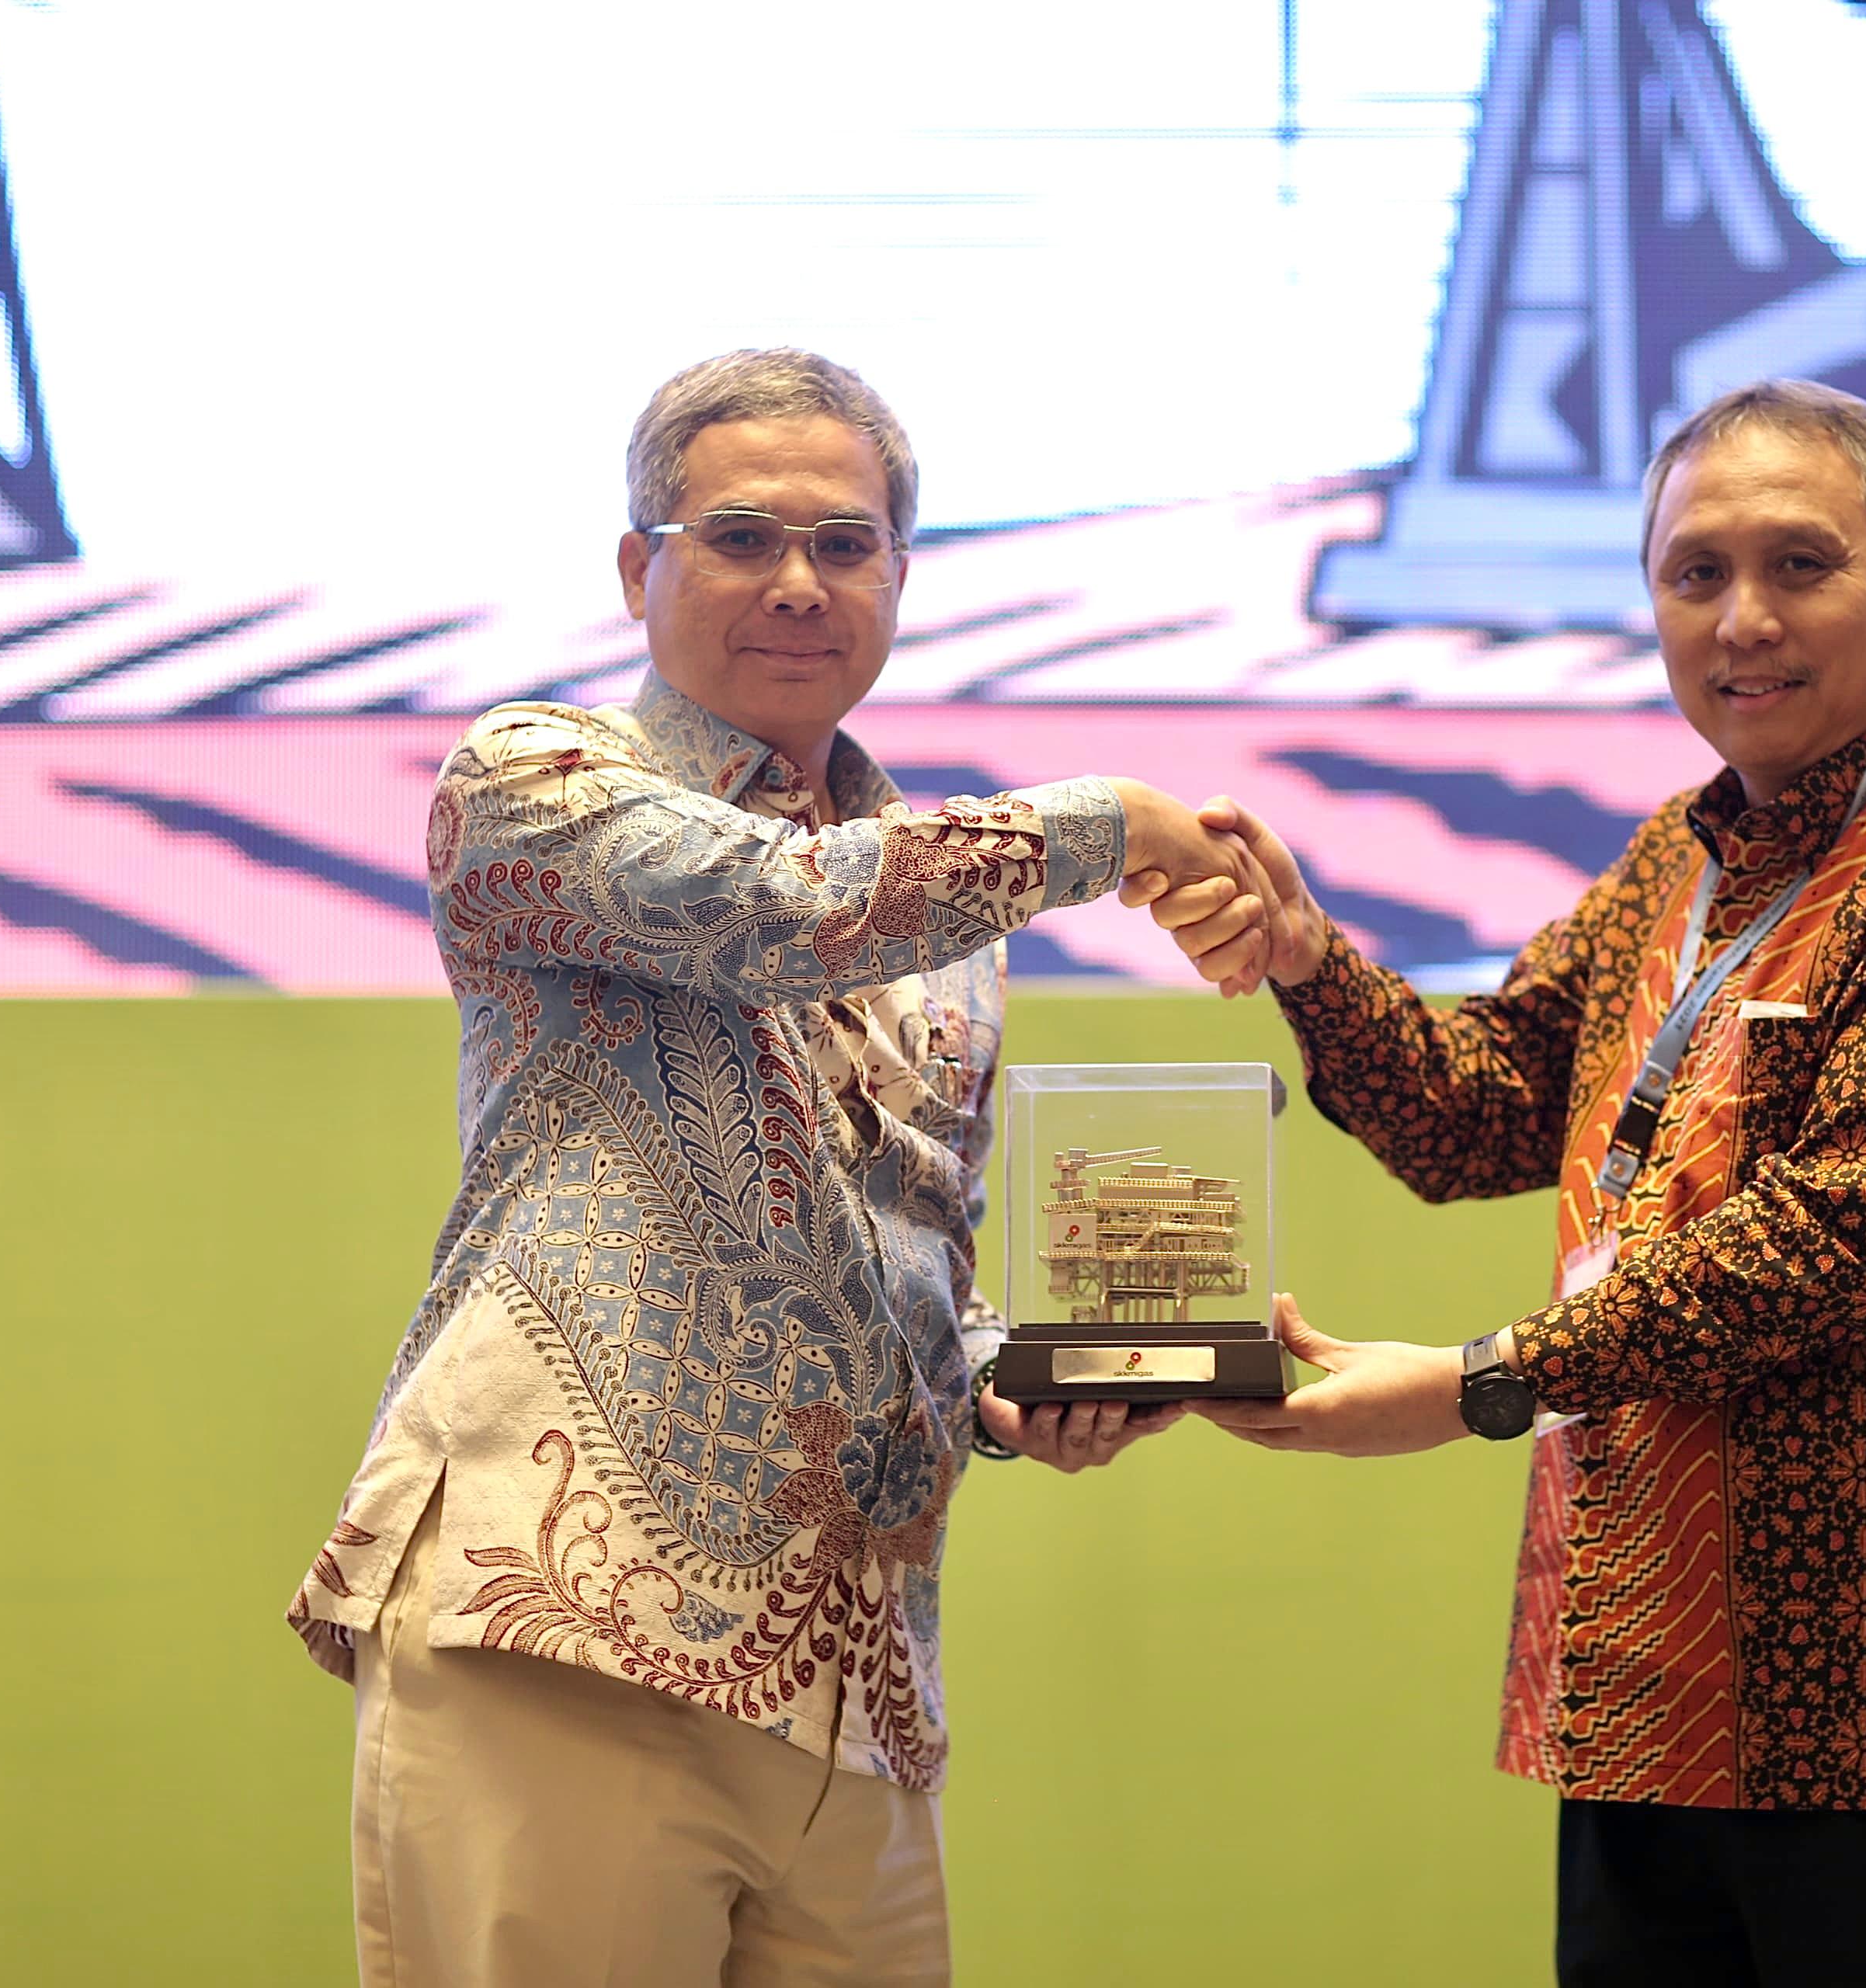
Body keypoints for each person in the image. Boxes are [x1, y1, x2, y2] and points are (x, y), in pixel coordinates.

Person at [1135, 379, 1866, 1985]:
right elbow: (1474, 1113)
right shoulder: (1683, 853)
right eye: (1695, 574)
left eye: (1800, 565)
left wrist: (1482, 1381)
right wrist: (1311, 959)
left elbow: (1840, 1233)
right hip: (1651, 1694)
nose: (1744, 620)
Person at [287, 346, 1253, 1987]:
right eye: (740, 537)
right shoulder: (533, 779)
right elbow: (778, 907)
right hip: (567, 1615)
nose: (799, 582)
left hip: (859, 1680)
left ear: (898, 577)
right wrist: (1116, 822)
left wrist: (1027, 1382)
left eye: (845, 544)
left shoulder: (951, 926)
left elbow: (916, 1257)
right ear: (638, 568)